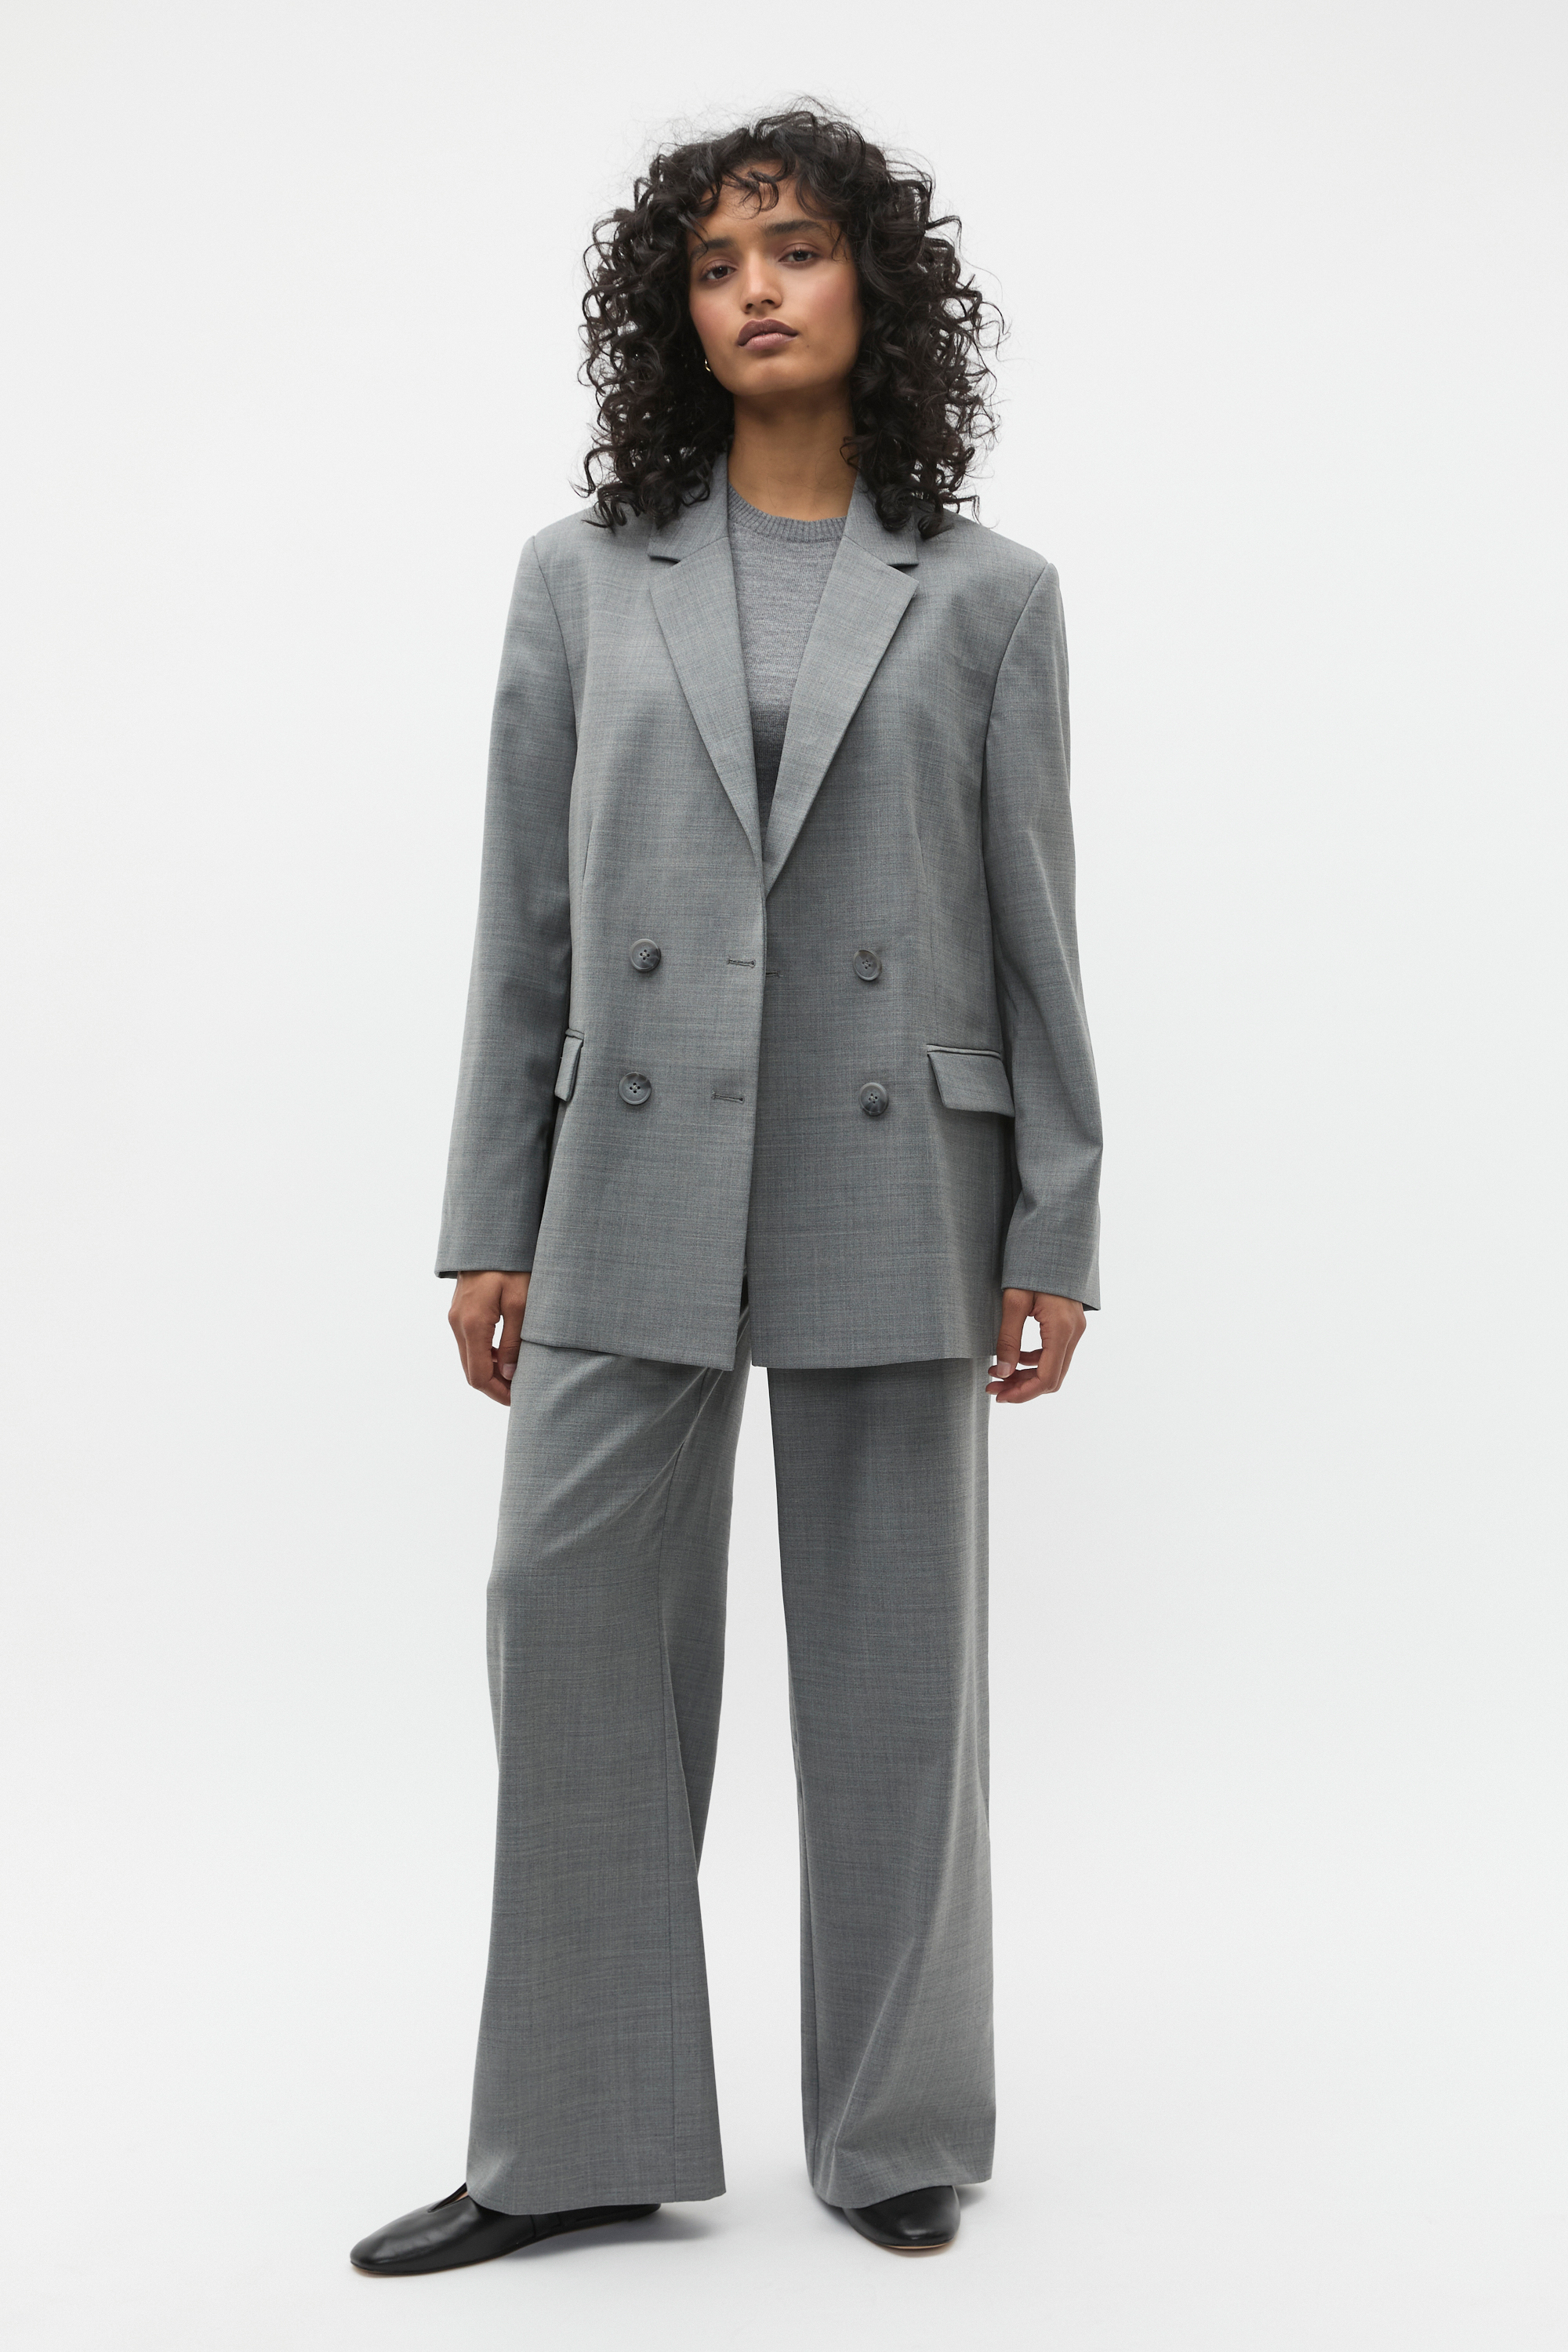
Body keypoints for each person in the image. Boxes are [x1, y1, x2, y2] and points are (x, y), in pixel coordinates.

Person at [350, 106, 1101, 2276]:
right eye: (712, 262)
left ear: (879, 287)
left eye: (795, 247)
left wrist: (1057, 1222)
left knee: (898, 1675)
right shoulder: (580, 577)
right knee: (565, 1618)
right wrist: (489, 1212)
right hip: (632, 1166)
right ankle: (574, 2140)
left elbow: (1037, 924)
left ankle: (895, 2131)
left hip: (898, 1164)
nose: (755, 288)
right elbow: (524, 924)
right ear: (670, 314)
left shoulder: (989, 594)